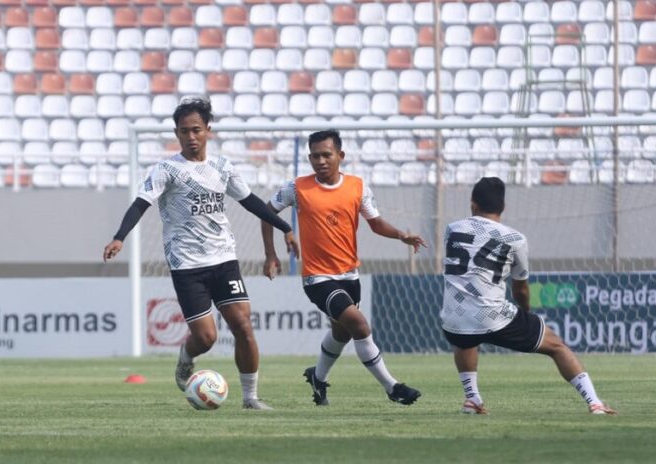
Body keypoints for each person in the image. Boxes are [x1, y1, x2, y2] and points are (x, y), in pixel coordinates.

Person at [103, 97, 297, 410]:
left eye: (196, 130)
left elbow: (251, 203)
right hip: (187, 265)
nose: (191, 137)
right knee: (206, 338)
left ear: (208, 130)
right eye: (184, 132)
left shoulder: (222, 167)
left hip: (224, 260)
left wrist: (285, 227)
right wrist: (119, 237)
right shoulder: (167, 170)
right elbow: (140, 204)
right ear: (176, 134)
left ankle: (250, 398)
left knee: (243, 327)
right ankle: (186, 357)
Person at [261, 130, 425, 407]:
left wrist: (401, 235)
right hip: (317, 278)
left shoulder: (358, 187)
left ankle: (318, 377)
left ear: (340, 155)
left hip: (350, 275)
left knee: (342, 333)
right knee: (359, 324)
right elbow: (266, 212)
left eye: (327, 155)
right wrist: (270, 254)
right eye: (315, 156)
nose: (321, 161)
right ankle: (392, 386)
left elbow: (375, 223)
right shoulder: (297, 188)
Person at [440, 177, 616, 415]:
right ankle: (595, 403)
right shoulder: (515, 239)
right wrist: (526, 313)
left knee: (466, 337)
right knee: (557, 346)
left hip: (451, 319)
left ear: (473, 205)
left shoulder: (453, 229)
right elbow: (520, 288)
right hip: (492, 316)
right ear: (503, 207)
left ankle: (472, 399)